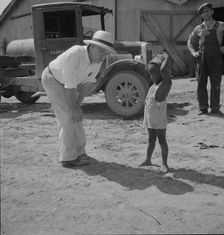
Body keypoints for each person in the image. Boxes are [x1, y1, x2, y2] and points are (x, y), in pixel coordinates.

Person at [41, 30, 116, 168]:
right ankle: (68, 158)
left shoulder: (97, 62)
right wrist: (73, 108)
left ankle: (80, 152)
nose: (104, 55)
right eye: (101, 51)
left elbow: (84, 85)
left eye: (106, 52)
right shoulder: (75, 54)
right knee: (68, 118)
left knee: (77, 118)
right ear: (92, 46)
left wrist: (78, 106)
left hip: (70, 84)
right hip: (53, 79)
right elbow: (70, 87)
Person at [187, 2, 224, 115]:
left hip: (216, 58)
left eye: (207, 11)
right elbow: (190, 42)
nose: (205, 13)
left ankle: (215, 108)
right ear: (201, 15)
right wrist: (193, 52)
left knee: (216, 83)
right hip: (201, 59)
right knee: (201, 84)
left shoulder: (221, 25)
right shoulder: (198, 28)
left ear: (212, 12)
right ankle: (203, 108)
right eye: (203, 12)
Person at [140, 52, 172, 173]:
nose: (151, 76)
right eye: (150, 74)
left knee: (162, 140)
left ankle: (164, 164)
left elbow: (163, 70)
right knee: (151, 140)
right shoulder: (155, 84)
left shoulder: (166, 84)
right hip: (150, 119)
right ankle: (148, 159)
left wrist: (167, 57)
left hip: (159, 120)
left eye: (154, 73)